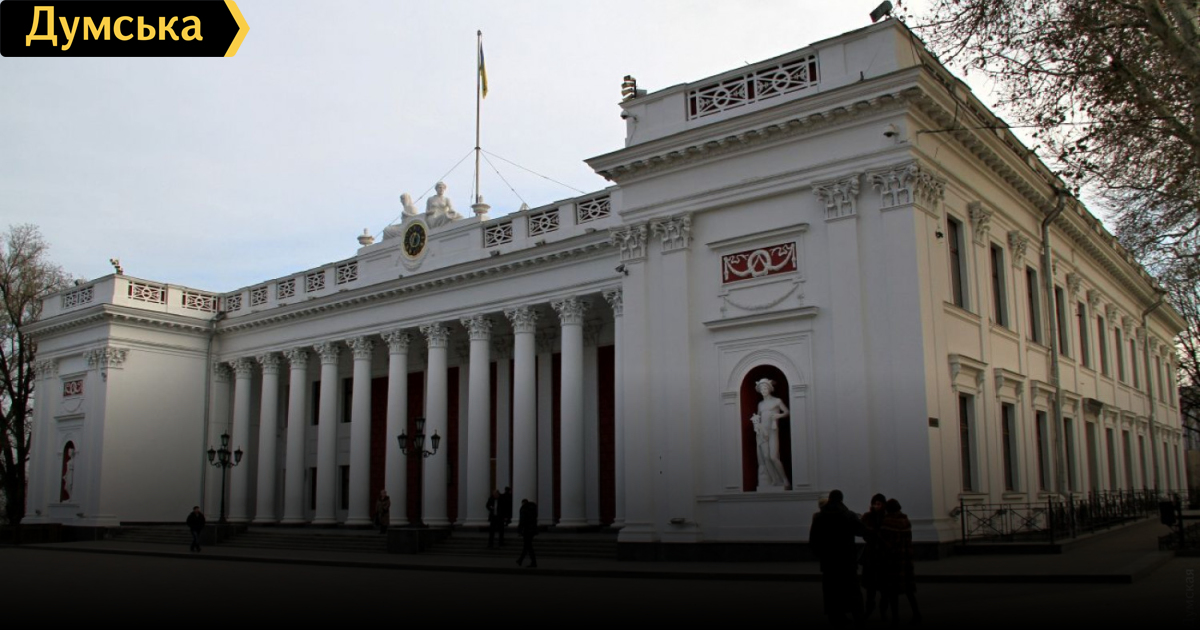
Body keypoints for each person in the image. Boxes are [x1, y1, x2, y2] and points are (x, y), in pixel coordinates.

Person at [809, 489, 868, 627]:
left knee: (832, 591)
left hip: (829, 562)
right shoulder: (848, 515)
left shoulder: (819, 517)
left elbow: (813, 541)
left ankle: (836, 616)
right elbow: (862, 531)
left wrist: (822, 555)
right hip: (847, 560)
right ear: (841, 499)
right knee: (852, 589)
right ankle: (858, 616)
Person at [879, 498, 921, 625]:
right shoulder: (905, 520)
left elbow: (884, 542)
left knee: (892, 591)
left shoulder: (887, 522)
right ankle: (916, 613)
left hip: (892, 560)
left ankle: (895, 616)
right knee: (909, 590)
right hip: (905, 558)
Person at [749, 378, 790, 489]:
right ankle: (774, 480)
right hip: (763, 432)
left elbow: (787, 412)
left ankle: (785, 480)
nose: (763, 390)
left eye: (765, 388)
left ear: (769, 389)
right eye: (762, 389)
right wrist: (756, 424)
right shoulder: (760, 404)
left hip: (773, 430)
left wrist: (778, 415)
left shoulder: (777, 401)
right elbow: (758, 417)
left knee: (773, 456)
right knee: (766, 457)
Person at [860, 493, 888, 620]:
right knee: (870, 587)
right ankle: (869, 607)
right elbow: (863, 532)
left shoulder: (886, 517)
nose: (876, 506)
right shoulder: (868, 516)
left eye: (879, 504)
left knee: (884, 587)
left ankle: (883, 610)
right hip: (871, 555)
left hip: (883, 555)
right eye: (875, 504)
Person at [516, 498, 538, 568]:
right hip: (532, 530)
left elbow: (522, 520)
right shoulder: (533, 509)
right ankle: (520, 560)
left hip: (527, 530)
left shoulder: (524, 509)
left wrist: (519, 530)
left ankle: (533, 562)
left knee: (528, 546)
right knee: (527, 546)